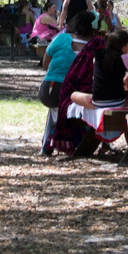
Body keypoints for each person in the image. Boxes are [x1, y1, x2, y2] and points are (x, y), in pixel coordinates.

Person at [38, 11, 96, 154]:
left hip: (48, 90)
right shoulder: (94, 45)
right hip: (71, 93)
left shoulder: (61, 38)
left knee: (58, 109)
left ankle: (53, 137)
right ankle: (60, 135)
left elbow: (46, 65)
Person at [71, 30, 128, 109]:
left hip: (98, 102)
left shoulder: (97, 55)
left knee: (73, 95)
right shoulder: (124, 58)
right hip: (118, 102)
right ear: (124, 48)